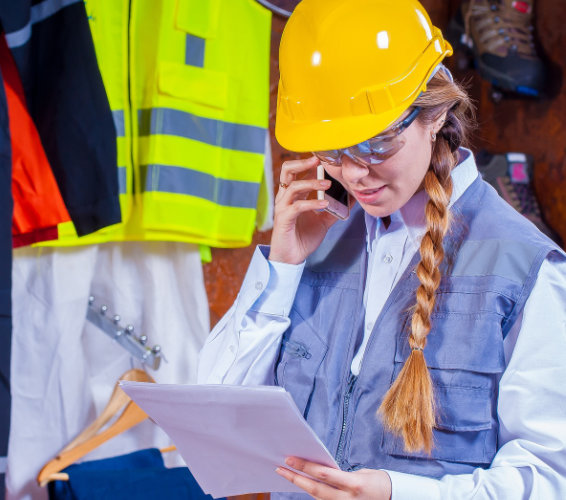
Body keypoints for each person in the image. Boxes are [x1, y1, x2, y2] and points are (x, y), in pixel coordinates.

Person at [198, 0, 566, 498]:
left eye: (374, 144)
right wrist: (283, 266)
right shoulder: (317, 238)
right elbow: (217, 421)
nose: (352, 172)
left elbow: (549, 478)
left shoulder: (523, 268)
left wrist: (400, 493)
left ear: (434, 113)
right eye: (332, 149)